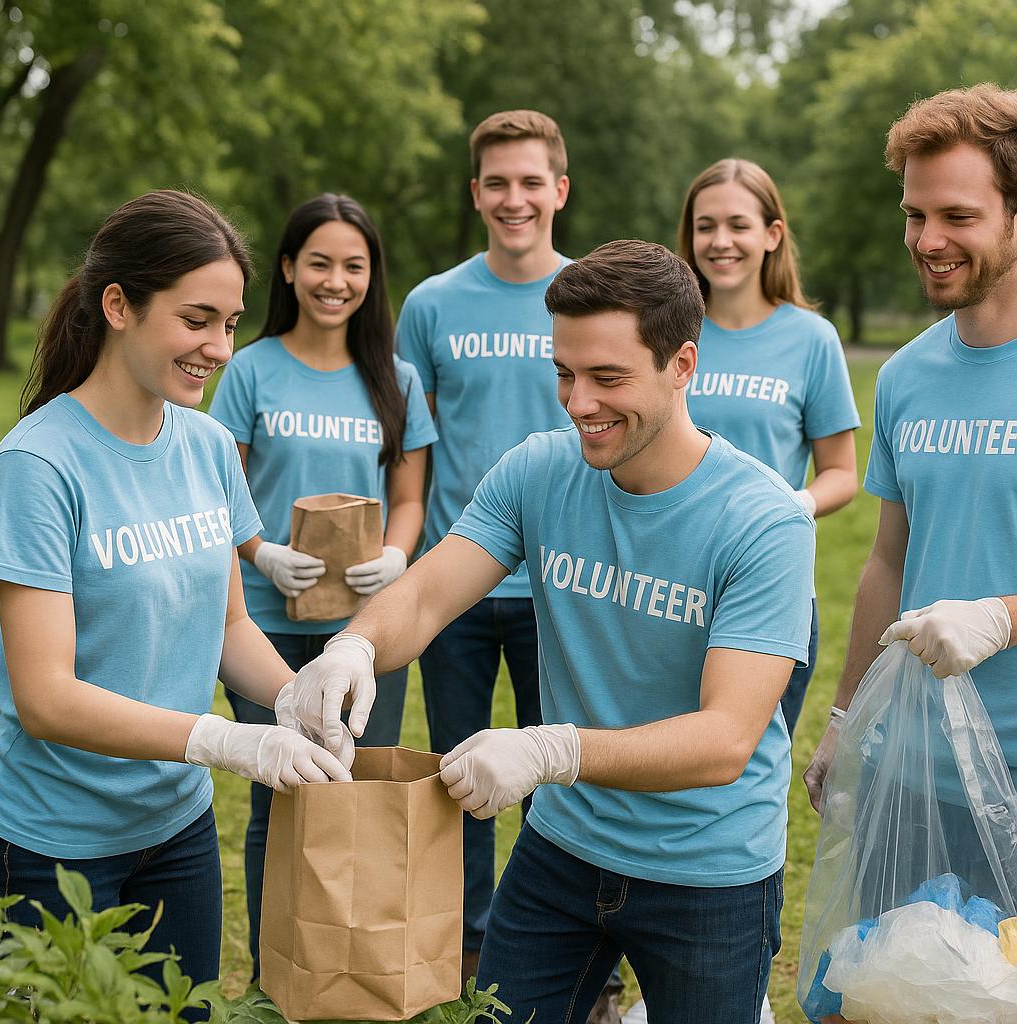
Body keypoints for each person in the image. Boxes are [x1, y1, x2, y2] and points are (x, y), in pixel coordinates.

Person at [287, 240, 816, 1022]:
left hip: (709, 870)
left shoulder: (763, 521)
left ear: (682, 365)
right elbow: (430, 593)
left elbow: (725, 740)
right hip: (564, 849)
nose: (577, 403)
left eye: (608, 377)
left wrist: (549, 749)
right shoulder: (541, 470)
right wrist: (355, 646)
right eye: (565, 374)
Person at [0, 190, 349, 1019]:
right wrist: (219, 739)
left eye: (229, 323)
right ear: (118, 305)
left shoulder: (208, 446)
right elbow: (44, 699)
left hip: (179, 833)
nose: (219, 347)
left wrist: (294, 693)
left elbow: (228, 625)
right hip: (57, 847)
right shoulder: (38, 467)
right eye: (198, 320)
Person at [803, 83, 1017, 1023]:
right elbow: (887, 558)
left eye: (958, 215)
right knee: (896, 999)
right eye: (915, 214)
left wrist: (1004, 616)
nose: (928, 237)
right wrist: (848, 718)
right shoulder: (907, 374)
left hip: (1013, 774)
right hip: (916, 771)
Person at [208, 193, 437, 978]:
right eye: (319, 263)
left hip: (369, 629)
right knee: (281, 789)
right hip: (263, 621)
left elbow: (410, 497)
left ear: (372, 277)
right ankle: (279, 967)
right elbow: (221, 486)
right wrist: (260, 549)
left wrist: (401, 558)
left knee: (360, 788)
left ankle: (357, 966)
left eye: (353, 266)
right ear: (287, 269)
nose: (335, 281)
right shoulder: (249, 368)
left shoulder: (396, 377)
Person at [394, 109, 575, 988]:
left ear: (560, 191)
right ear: (476, 194)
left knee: (557, 773)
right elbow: (411, 450)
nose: (515, 198)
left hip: (568, 586)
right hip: (456, 582)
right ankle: (469, 948)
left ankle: (570, 950)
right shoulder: (431, 305)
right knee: (460, 772)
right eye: (497, 183)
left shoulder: (589, 297)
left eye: (531, 181)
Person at [678, 158, 860, 737]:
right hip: (667, 583)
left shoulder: (811, 338)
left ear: (772, 235)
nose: (720, 241)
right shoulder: (664, 333)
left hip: (766, 585)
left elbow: (841, 473)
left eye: (738, 224)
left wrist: (794, 505)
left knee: (748, 760)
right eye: (705, 226)